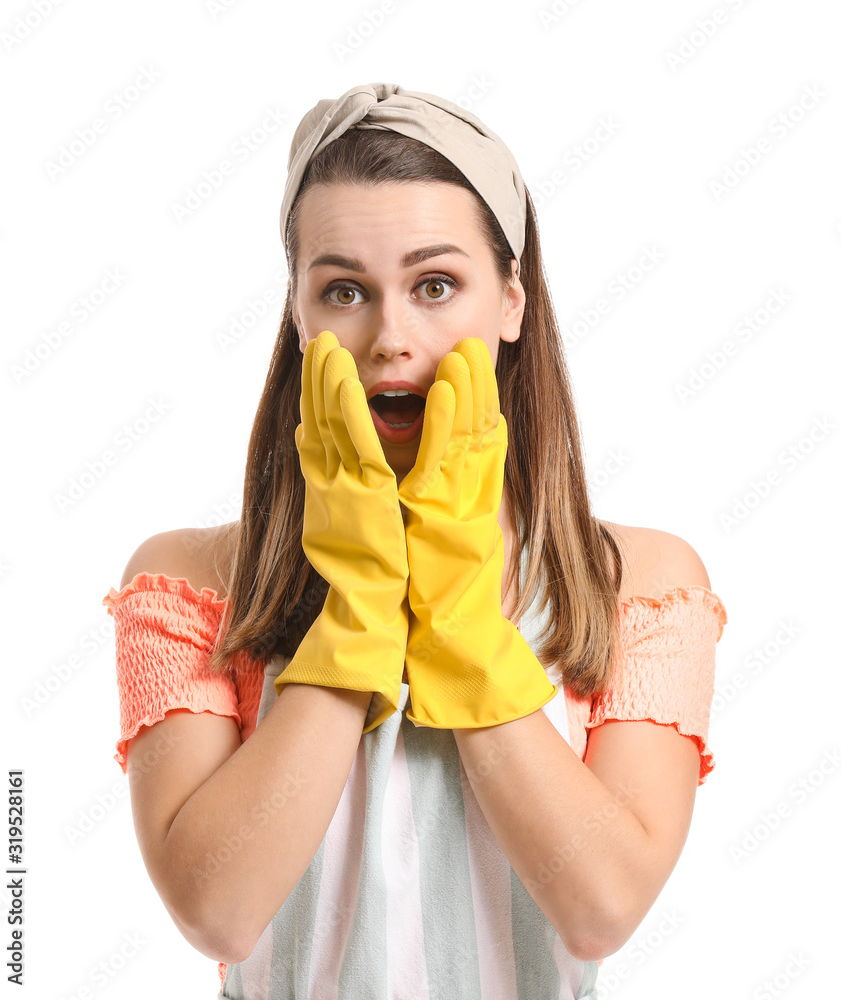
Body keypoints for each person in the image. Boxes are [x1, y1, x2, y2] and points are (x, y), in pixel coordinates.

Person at [101, 82, 728, 999]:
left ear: (511, 302)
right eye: (344, 290)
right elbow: (217, 912)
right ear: (298, 316)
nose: (389, 338)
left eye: (436, 285)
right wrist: (357, 606)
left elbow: (602, 910)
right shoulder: (188, 581)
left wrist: (464, 613)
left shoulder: (637, 585)